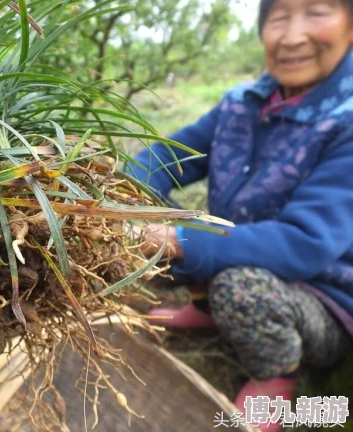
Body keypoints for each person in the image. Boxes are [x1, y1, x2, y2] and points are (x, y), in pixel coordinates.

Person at [127, 0, 353, 430]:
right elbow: (165, 156)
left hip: (320, 295)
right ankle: (208, 309)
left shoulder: (347, 124)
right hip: (242, 250)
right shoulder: (242, 103)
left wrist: (177, 239)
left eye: (317, 12)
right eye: (279, 17)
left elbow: (304, 242)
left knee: (236, 284)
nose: (292, 35)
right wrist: (125, 196)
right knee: (161, 230)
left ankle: (277, 374)